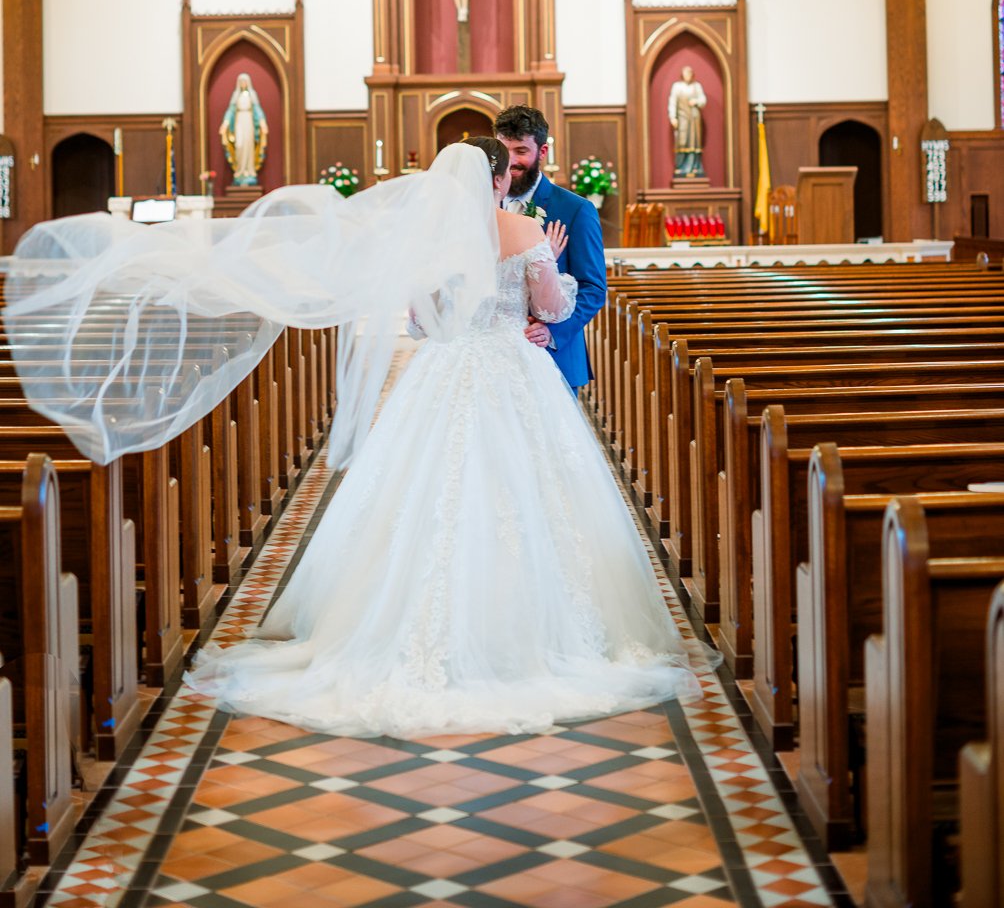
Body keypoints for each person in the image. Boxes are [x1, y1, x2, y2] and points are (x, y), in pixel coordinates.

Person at [4, 141, 709, 739]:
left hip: (442, 375)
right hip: (510, 373)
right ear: (501, 179)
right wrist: (545, 266)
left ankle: (380, 633)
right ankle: (540, 636)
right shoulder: (524, 234)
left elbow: (420, 329)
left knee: (420, 498)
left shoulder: (429, 246)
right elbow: (554, 310)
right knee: (531, 492)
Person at [494, 104, 606, 393]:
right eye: (505, 151)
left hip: (554, 357)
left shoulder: (575, 210)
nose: (511, 161)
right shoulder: (482, 208)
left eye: (521, 151)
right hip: (495, 360)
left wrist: (552, 331)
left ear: (542, 152)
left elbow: (593, 288)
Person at [219, 72, 268, 186]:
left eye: (244, 81)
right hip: (239, 122)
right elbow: (230, 111)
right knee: (239, 145)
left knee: (248, 145)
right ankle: (240, 171)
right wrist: (225, 124)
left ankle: (249, 171)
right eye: (241, 81)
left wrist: (262, 123)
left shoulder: (252, 95)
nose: (243, 83)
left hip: (248, 121)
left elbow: (258, 110)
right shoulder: (236, 96)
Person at [668, 66, 707, 179]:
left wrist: (696, 101)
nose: (688, 75)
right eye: (686, 73)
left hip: (694, 118)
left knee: (694, 142)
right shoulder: (677, 86)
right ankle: (682, 166)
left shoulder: (697, 86)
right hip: (682, 118)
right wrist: (673, 117)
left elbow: (703, 100)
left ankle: (695, 166)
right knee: (682, 141)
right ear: (682, 74)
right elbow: (672, 102)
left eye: (690, 73)